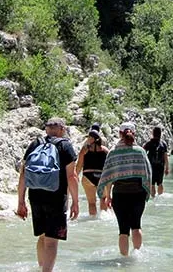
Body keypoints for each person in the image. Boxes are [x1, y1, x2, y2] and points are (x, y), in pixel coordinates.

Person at [16, 117, 79, 272]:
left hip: (35, 196)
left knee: (42, 236)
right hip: (56, 197)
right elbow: (72, 177)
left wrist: (21, 202)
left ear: (46, 129)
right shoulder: (65, 146)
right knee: (51, 241)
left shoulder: (35, 144)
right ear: (62, 129)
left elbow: (23, 174)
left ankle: (41, 268)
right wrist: (75, 202)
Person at [97, 122, 152, 256]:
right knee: (136, 226)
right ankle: (137, 256)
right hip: (138, 193)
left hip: (119, 194)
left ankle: (125, 260)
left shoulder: (113, 153)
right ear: (134, 133)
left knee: (123, 230)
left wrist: (107, 196)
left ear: (120, 134)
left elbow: (108, 176)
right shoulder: (141, 151)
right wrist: (147, 191)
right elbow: (148, 173)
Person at [76, 123, 109, 216]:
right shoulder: (105, 150)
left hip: (87, 177)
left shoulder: (84, 149)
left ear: (92, 139)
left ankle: (92, 219)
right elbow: (109, 166)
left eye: (89, 137)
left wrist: (75, 176)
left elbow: (79, 165)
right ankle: (104, 218)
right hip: (102, 177)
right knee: (103, 199)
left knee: (91, 203)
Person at [143, 126, 169, 197]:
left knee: (152, 184)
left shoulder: (149, 143)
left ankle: (153, 197)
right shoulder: (163, 144)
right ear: (160, 134)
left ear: (153, 133)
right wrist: (167, 168)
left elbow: (143, 153)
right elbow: (165, 157)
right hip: (160, 166)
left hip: (151, 166)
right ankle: (160, 197)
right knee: (160, 183)